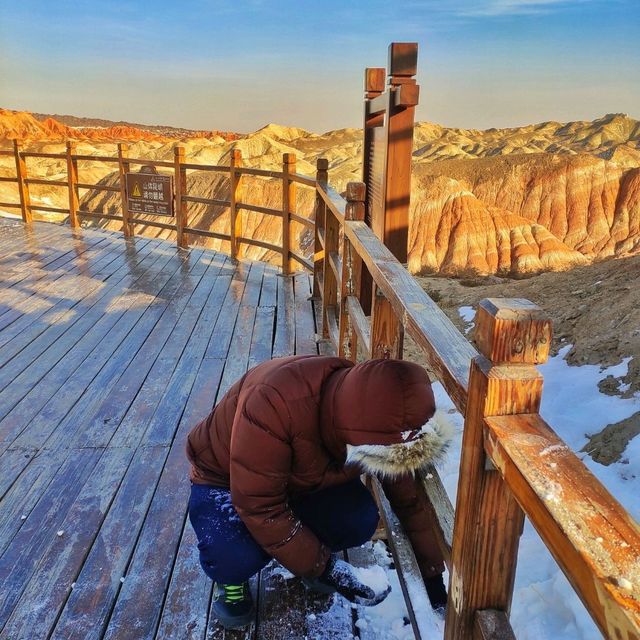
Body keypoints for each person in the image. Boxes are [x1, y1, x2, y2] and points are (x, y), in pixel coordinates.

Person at [186, 354, 451, 629]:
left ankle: (307, 559)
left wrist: (432, 575)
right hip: (227, 481)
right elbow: (258, 505)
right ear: (354, 433)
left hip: (301, 481)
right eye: (382, 457)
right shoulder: (271, 403)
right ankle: (232, 580)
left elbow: (410, 502)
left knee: (358, 519)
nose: (385, 462)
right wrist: (327, 569)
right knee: (234, 554)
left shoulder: (379, 421)